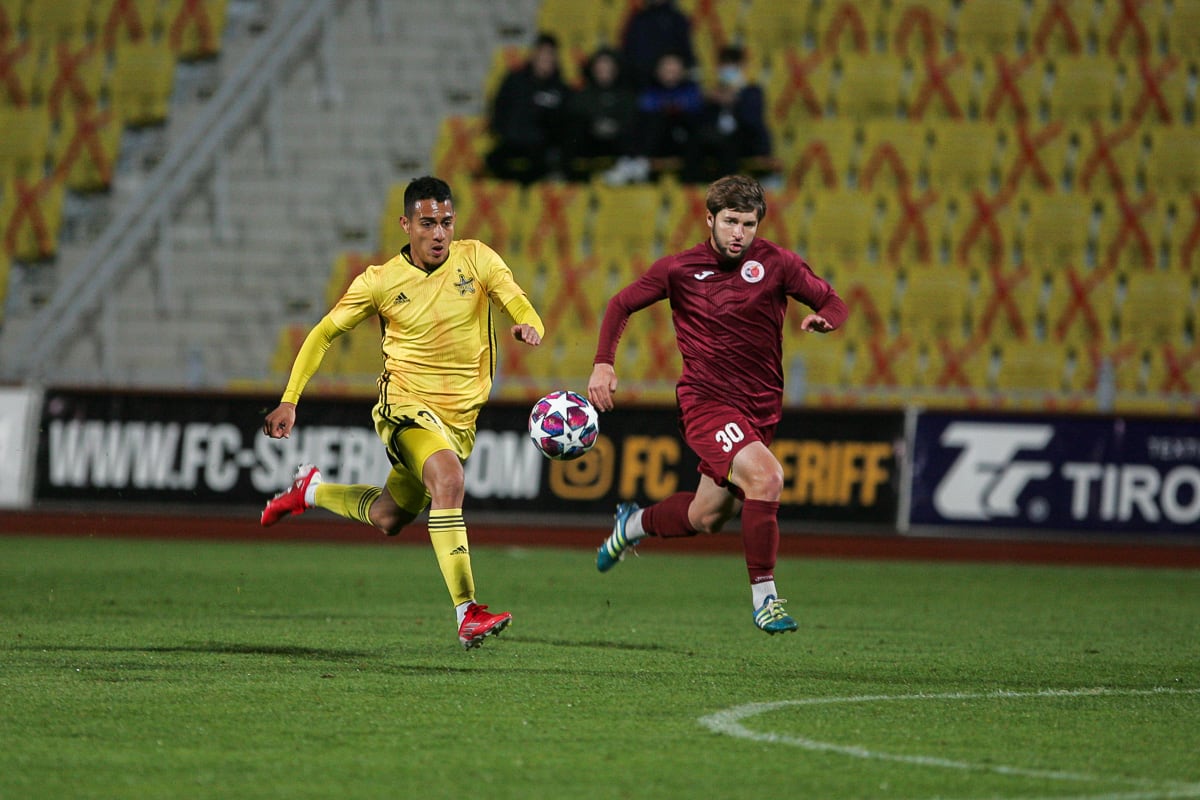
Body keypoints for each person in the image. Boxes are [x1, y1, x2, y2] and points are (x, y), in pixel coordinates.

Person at [261, 176, 545, 650]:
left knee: (391, 517)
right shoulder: (380, 281)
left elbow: (516, 299)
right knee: (449, 481)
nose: (439, 234)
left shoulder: (477, 259)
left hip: (458, 420)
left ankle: (310, 490)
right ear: (406, 224)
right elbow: (323, 333)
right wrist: (291, 397)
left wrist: (528, 323)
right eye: (428, 223)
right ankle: (467, 611)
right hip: (405, 408)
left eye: (447, 223)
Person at [587, 174, 849, 635]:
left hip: (761, 409)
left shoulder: (778, 264)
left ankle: (631, 526)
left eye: (748, 224)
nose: (738, 234)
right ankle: (765, 598)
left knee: (706, 517)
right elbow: (620, 304)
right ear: (709, 219)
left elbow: (831, 299)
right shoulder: (679, 269)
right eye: (730, 222)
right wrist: (604, 363)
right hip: (707, 403)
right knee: (767, 478)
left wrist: (826, 318)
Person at [603, 51, 705, 185]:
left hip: (682, 140)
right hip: (656, 142)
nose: (671, 74)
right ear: (657, 71)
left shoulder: (691, 90)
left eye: (674, 70)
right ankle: (634, 162)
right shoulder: (650, 90)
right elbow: (645, 108)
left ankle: (637, 161)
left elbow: (694, 109)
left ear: (682, 71)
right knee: (646, 120)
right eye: (667, 70)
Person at [484, 32, 569, 183]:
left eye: (549, 55)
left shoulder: (559, 88)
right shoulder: (515, 80)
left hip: (541, 144)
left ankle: (525, 193)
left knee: (545, 163)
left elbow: (563, 120)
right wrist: (502, 130)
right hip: (513, 139)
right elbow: (500, 106)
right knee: (492, 161)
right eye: (542, 54)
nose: (545, 59)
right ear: (534, 55)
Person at [693, 44, 773, 182]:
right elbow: (700, 124)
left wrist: (735, 100)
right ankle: (692, 187)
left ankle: (727, 190)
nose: (727, 70)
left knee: (729, 142)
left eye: (733, 65)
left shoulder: (752, 92)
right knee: (696, 142)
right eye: (724, 65)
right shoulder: (711, 95)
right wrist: (707, 100)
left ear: (743, 67)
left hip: (744, 143)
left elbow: (751, 122)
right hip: (715, 143)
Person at [564, 46, 638, 180]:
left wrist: (614, 127)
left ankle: (629, 172)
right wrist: (594, 125)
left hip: (617, 143)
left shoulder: (626, 95)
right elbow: (576, 118)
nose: (604, 71)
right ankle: (571, 176)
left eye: (608, 67)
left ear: (616, 69)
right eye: (600, 67)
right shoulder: (581, 95)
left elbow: (630, 120)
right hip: (589, 144)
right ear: (593, 69)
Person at [621, 0, 696, 90]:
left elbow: (686, 52)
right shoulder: (638, 19)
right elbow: (629, 52)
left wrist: (671, 70)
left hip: (674, 85)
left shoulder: (678, 19)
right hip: (641, 84)